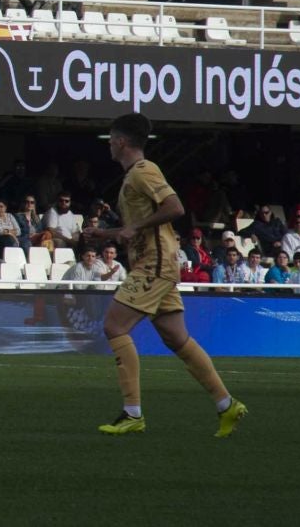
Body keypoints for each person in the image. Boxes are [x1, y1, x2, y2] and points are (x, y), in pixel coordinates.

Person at [91, 112, 246, 438]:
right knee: (176, 337)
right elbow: (138, 227)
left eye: (110, 140)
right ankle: (226, 404)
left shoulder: (143, 171)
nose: (108, 146)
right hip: (159, 263)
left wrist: (135, 226)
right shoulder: (134, 176)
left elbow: (175, 207)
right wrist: (105, 233)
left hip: (154, 264)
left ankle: (132, 413)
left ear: (120, 142)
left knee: (114, 326)